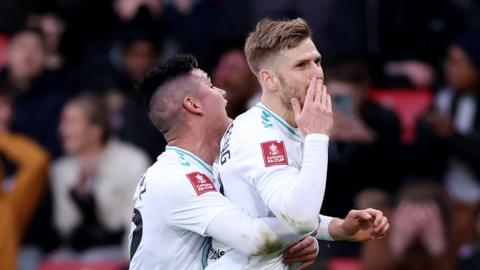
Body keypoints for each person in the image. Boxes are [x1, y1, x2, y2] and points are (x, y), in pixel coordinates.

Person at [210, 18, 389, 269]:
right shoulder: (262, 134)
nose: (317, 74)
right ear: (270, 79)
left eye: (317, 61)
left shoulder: (277, 125)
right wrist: (317, 136)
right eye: (301, 65)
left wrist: (338, 228)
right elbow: (299, 218)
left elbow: (280, 210)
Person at [49, 93, 150, 260]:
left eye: (71, 122)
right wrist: (79, 198)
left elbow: (136, 227)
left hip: (123, 254)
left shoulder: (132, 162)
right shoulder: (61, 170)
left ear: (95, 130)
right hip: (77, 254)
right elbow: (64, 227)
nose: (62, 129)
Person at [0, 81, 50, 270]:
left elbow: (38, 161)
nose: (7, 115)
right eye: (1, 106)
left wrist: (2, 138)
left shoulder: (8, 201)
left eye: (9, 107)